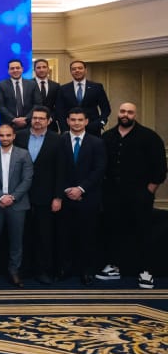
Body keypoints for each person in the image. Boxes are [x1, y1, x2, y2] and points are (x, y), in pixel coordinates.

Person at [99, 102, 166, 289]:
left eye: (130, 112)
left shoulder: (149, 137)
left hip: (139, 196)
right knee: (113, 231)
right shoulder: (107, 137)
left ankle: (145, 272)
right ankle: (113, 266)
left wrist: (149, 191)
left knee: (142, 232)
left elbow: (160, 167)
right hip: (113, 195)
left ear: (135, 115)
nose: (125, 115)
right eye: (123, 111)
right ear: (118, 113)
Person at [55, 108, 107, 285]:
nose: (76, 123)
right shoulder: (59, 141)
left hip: (88, 197)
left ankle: (86, 271)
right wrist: (66, 191)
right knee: (64, 236)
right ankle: (65, 268)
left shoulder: (97, 143)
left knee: (87, 236)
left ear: (86, 122)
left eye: (80, 120)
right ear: (67, 121)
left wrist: (81, 189)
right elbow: (57, 169)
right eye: (73, 120)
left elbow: (99, 169)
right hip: (65, 197)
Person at [14, 105, 59, 283]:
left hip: (46, 195)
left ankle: (42, 270)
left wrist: (57, 197)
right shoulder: (20, 136)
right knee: (23, 234)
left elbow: (61, 170)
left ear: (49, 121)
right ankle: (24, 269)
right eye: (35, 118)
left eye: (41, 118)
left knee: (44, 235)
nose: (37, 121)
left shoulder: (57, 139)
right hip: (21, 194)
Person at [0, 123, 33, 286]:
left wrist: (12, 197)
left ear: (14, 136)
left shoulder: (24, 154)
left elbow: (27, 179)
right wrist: (0, 197)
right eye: (1, 135)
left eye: (8, 135)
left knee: (16, 241)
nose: (5, 138)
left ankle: (14, 271)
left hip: (18, 204)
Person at [55, 60, 111, 136]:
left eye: (80, 68)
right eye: (74, 69)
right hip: (70, 130)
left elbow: (106, 109)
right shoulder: (63, 89)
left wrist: (100, 123)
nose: (77, 70)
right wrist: (64, 129)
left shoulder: (97, 87)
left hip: (93, 129)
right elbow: (59, 111)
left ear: (85, 70)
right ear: (71, 72)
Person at [0, 59, 39, 131]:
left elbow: (37, 104)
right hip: (8, 124)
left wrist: (26, 118)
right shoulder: (1, 85)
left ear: (22, 69)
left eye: (17, 68)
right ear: (8, 71)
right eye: (12, 68)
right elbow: (0, 105)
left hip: (29, 124)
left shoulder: (32, 84)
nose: (15, 70)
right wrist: (13, 119)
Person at [32, 59, 60, 131]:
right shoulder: (27, 85)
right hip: (32, 123)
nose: (41, 70)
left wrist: (51, 118)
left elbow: (59, 106)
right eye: (38, 67)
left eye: (44, 67)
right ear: (34, 70)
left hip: (50, 124)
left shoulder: (56, 86)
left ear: (48, 69)